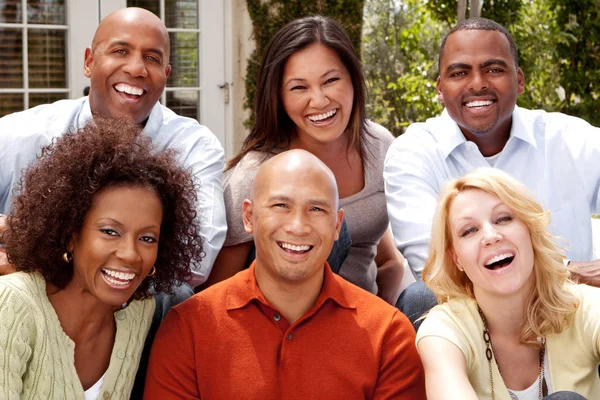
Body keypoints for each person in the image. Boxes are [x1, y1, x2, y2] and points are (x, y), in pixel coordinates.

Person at [144, 150, 426, 399]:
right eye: (281, 206)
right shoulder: (188, 327)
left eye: (316, 209)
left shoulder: (388, 334)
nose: (298, 226)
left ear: (338, 225)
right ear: (248, 217)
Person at [383, 17, 600, 324]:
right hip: (475, 321)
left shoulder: (569, 138)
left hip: (570, 316)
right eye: (459, 73)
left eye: (494, 69)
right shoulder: (414, 152)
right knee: (421, 298)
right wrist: (569, 271)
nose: (477, 83)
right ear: (440, 89)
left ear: (520, 80)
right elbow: (436, 269)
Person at [0, 7, 226, 287]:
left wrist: (31, 249)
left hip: (139, 303)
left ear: (166, 73)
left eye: (151, 58)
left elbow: (194, 263)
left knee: (174, 296)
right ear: (88, 62)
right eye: (120, 51)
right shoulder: (17, 135)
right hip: (29, 301)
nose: (136, 68)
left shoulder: (194, 147)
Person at [0, 117, 204, 399]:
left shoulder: (138, 312)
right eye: (110, 231)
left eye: (147, 238)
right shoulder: (12, 305)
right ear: (70, 233)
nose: (130, 254)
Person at [210, 15, 406, 305]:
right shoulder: (256, 172)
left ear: (353, 79)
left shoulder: (379, 146)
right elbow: (217, 293)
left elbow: (387, 260)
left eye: (331, 80)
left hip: (362, 320)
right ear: (279, 97)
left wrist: (384, 312)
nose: (319, 101)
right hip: (280, 320)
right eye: (299, 87)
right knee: (319, 217)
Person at [416, 168, 595, 400]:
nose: (491, 236)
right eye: (469, 230)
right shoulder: (444, 331)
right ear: (456, 258)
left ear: (530, 231)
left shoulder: (585, 307)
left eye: (503, 219)